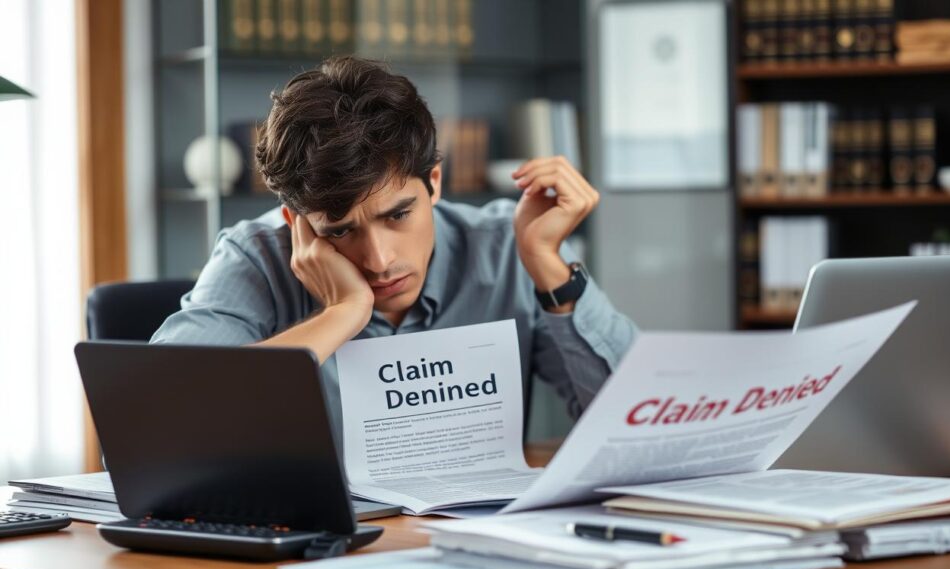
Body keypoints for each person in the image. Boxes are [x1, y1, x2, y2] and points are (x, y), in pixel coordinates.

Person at [152, 56, 636, 424]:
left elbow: (634, 423)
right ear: (294, 221)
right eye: (339, 231)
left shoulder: (508, 247)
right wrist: (343, 314)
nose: (379, 261)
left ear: (436, 183)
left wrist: (549, 267)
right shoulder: (255, 257)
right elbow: (156, 426)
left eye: (399, 214)